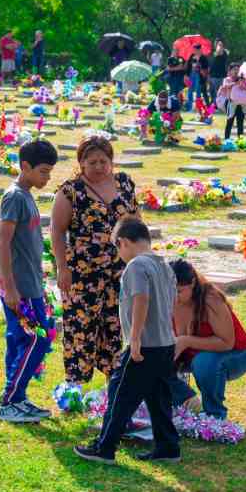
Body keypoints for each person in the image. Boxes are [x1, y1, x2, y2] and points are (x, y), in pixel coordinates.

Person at [74, 216, 180, 465]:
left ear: (122, 242)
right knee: (159, 397)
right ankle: (168, 446)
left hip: (143, 345)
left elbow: (141, 299)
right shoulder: (164, 264)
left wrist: (134, 338)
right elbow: (171, 302)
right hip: (165, 343)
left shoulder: (136, 266)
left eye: (116, 247)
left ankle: (105, 447)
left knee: (120, 394)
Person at [50, 135, 139, 386]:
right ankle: (75, 384)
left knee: (115, 323)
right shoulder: (71, 191)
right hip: (82, 271)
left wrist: (140, 259)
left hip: (120, 269)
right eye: (92, 162)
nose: (99, 167)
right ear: (81, 163)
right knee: (82, 326)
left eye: (103, 161)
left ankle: (115, 381)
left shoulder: (124, 183)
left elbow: (136, 221)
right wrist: (62, 268)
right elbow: (57, 231)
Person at [0, 139, 60, 423]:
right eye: (44, 171)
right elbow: (3, 242)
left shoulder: (27, 194)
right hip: (20, 288)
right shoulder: (15, 197)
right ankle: (9, 401)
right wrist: (10, 287)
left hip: (32, 284)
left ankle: (17, 398)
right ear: (26, 167)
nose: (47, 177)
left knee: (21, 340)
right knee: (39, 339)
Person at [169, 259, 246, 420]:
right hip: (192, 355)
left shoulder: (211, 299)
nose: (173, 296)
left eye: (178, 291)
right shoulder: (167, 299)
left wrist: (186, 341)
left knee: (204, 362)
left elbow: (227, 342)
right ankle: (180, 405)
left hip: (236, 354)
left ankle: (214, 415)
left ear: (192, 283)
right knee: (151, 357)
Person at [219, 71, 246, 140]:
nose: (236, 72)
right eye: (234, 70)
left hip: (240, 104)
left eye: (237, 70)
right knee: (230, 122)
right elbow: (225, 86)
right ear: (230, 71)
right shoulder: (227, 79)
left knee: (240, 123)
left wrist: (243, 84)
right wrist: (235, 83)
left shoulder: (242, 79)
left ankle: (240, 140)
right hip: (230, 103)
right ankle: (227, 139)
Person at [185, 43, 210, 109]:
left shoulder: (203, 58)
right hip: (191, 75)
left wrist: (198, 63)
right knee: (190, 90)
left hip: (199, 76)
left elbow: (206, 69)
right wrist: (187, 75)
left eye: (196, 49)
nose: (194, 51)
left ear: (200, 49)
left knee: (198, 91)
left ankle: (198, 107)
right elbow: (188, 66)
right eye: (194, 49)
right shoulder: (192, 56)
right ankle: (189, 107)